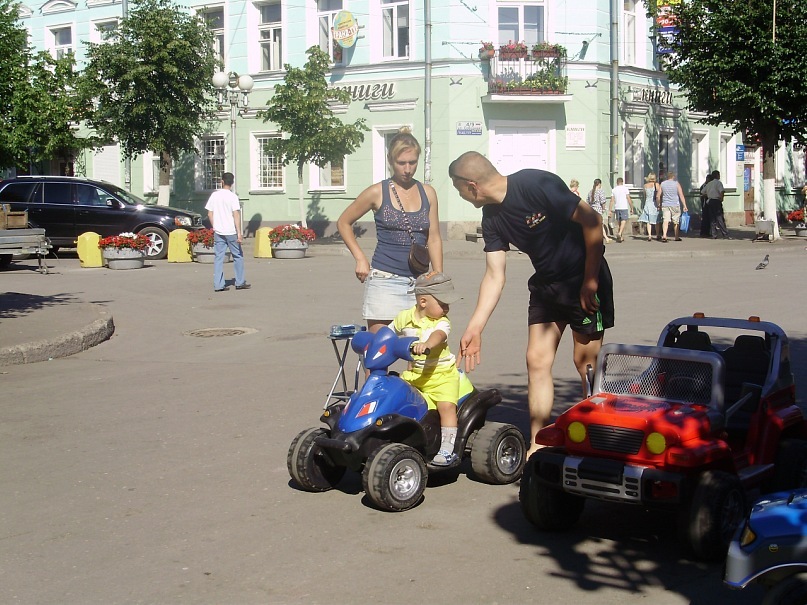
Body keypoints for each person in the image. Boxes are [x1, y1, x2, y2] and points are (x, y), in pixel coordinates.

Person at [448, 152, 614, 456]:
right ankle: (539, 444)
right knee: (536, 360)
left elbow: (592, 220)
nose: (459, 194)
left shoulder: (536, 183)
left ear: (472, 186)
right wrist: (475, 327)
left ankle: (593, 442)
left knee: (586, 365)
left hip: (584, 281)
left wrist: (590, 281)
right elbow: (494, 275)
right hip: (547, 285)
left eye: (458, 188)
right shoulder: (492, 217)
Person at [337, 128, 443, 333]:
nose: (408, 169)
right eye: (401, 163)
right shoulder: (377, 192)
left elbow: (435, 237)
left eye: (412, 162)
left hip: (419, 284)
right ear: (390, 160)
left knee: (420, 353)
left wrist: (437, 274)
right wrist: (360, 258)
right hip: (384, 282)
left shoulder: (428, 193)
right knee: (379, 353)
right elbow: (344, 222)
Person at [393, 272, 462, 466]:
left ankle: (447, 449)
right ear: (423, 302)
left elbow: (439, 335)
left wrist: (427, 344)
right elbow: (388, 333)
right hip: (416, 375)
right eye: (443, 303)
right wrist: (373, 342)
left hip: (442, 376)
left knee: (446, 406)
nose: (447, 308)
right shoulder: (404, 318)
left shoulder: (441, 321)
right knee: (396, 395)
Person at [205, 172, 249, 292]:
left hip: (219, 231)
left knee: (219, 257)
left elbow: (209, 213)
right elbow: (236, 214)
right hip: (231, 231)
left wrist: (215, 226)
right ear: (232, 183)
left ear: (222, 181)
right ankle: (239, 282)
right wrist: (239, 233)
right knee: (238, 256)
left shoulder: (215, 195)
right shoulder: (233, 197)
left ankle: (218, 284)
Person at [658, 172, 689, 242]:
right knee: (676, 221)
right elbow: (681, 195)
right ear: (673, 177)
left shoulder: (662, 184)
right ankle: (676, 236)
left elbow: (658, 195)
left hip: (665, 204)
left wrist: (659, 204)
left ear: (667, 177)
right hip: (675, 204)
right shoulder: (676, 184)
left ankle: (664, 236)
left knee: (665, 220)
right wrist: (684, 205)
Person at [702, 170, 731, 239]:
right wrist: (721, 198)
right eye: (719, 175)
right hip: (716, 201)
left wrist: (708, 194)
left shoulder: (709, 184)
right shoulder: (718, 183)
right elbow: (722, 191)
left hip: (710, 201)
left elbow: (702, 192)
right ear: (717, 175)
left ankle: (714, 234)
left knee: (712, 219)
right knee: (720, 218)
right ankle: (725, 234)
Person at [608, 177, 633, 243]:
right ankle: (619, 233)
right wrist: (631, 207)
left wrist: (610, 210)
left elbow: (612, 200)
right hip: (624, 206)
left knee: (619, 221)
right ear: (622, 182)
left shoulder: (614, 190)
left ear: (617, 182)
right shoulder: (625, 189)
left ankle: (621, 236)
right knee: (624, 220)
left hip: (617, 207)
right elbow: (628, 198)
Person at [586, 179, 612, 243]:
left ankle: (605, 238)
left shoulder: (590, 192)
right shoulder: (600, 191)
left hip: (592, 210)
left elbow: (587, 201)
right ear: (599, 184)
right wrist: (603, 209)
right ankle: (605, 238)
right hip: (598, 210)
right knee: (600, 224)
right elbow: (603, 201)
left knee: (596, 225)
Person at [638, 173, 661, 242]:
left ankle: (649, 235)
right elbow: (659, 195)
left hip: (647, 203)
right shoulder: (657, 185)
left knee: (648, 221)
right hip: (654, 203)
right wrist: (659, 204)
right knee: (657, 220)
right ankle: (657, 234)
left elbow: (644, 195)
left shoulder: (645, 186)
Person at [698, 173, 714, 238]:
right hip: (705, 204)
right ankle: (703, 232)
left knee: (709, 218)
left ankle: (707, 232)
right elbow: (702, 194)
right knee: (705, 218)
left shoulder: (708, 185)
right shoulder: (704, 186)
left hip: (709, 203)